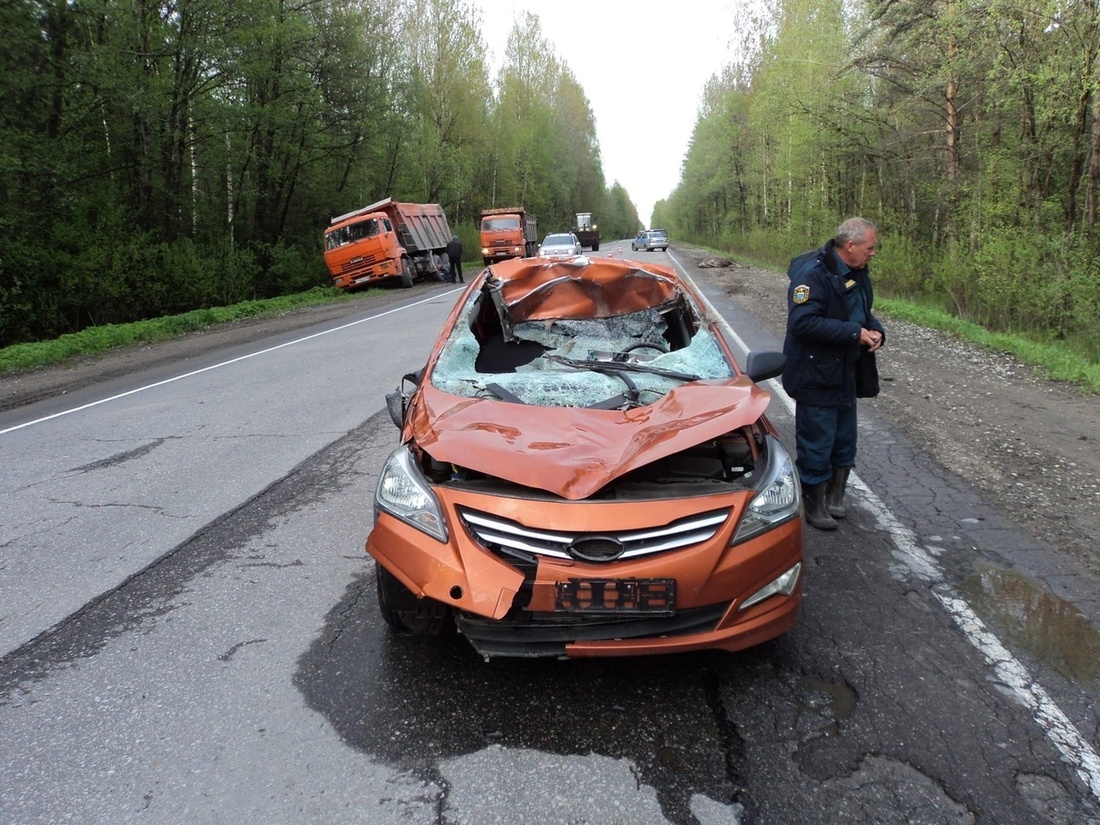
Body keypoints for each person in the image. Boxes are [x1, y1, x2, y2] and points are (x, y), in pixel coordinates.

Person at [781, 217, 886, 530]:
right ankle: (813, 502)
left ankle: (834, 496)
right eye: (870, 247)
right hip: (816, 374)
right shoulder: (812, 275)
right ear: (850, 245)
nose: (873, 253)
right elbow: (802, 323)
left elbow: (863, 313)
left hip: (845, 371)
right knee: (817, 440)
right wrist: (855, 333)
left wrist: (876, 330)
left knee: (844, 439)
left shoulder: (857, 273)